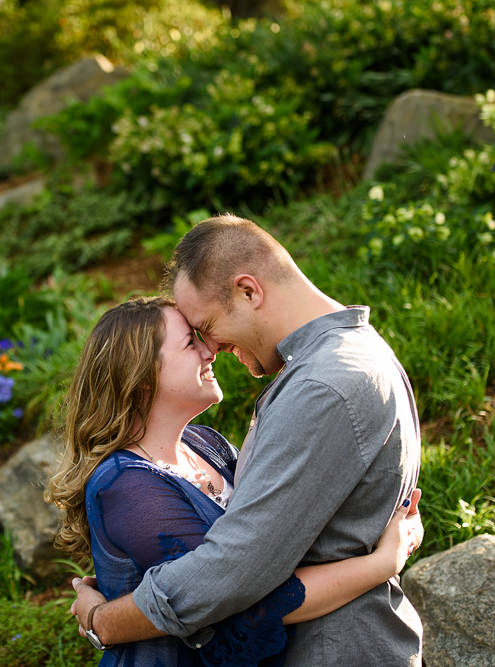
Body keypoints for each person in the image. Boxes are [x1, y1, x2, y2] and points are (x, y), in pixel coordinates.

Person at [70, 216, 424, 665]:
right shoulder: (347, 359)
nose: (211, 348)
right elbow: (226, 561)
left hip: (334, 650)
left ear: (248, 292)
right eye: (192, 339)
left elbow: (231, 574)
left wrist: (104, 620)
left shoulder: (322, 384)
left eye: (207, 325)